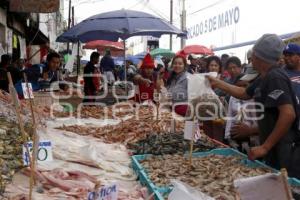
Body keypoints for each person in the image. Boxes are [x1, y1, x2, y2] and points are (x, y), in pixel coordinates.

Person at [207, 34, 300, 178]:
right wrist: (218, 83)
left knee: (283, 187)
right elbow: (244, 93)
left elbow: (288, 114)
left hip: (284, 147)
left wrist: (265, 147)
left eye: (254, 54)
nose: (251, 59)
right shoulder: (264, 76)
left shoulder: (275, 77)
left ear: (259, 57)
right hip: (273, 145)